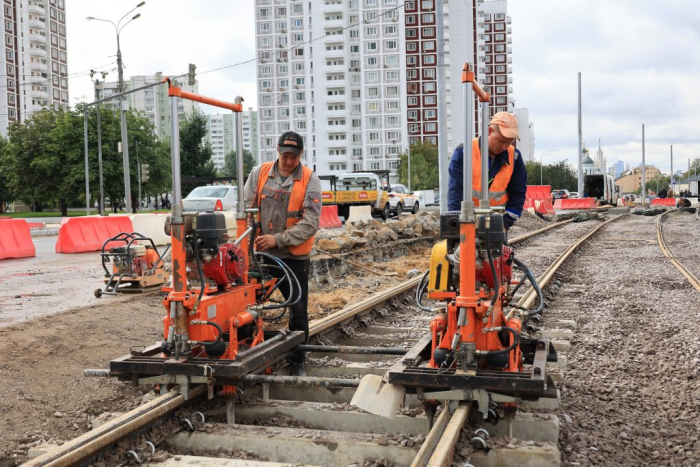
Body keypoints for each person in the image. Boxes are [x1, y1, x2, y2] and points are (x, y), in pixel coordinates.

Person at [244, 131, 322, 376]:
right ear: (278, 151)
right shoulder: (260, 173)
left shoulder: (310, 179)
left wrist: (277, 239)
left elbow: (310, 223)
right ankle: (248, 353)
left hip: (293, 256)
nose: (289, 161)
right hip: (260, 255)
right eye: (286, 155)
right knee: (248, 306)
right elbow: (246, 210)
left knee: (298, 308)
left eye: (294, 156)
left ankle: (298, 360)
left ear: (301, 155)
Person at [447, 112, 527, 231]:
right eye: (501, 141)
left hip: (497, 222)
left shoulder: (514, 157)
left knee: (497, 250)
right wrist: (458, 226)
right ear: (489, 131)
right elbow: (455, 193)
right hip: (467, 221)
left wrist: (505, 223)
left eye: (509, 142)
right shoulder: (464, 153)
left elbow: (518, 194)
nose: (505, 147)